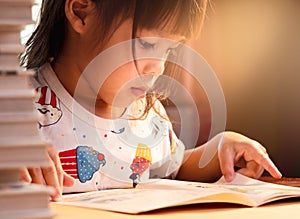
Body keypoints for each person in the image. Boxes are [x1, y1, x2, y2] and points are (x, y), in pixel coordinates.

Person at [20, 0, 282, 201]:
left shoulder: (145, 113)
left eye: (169, 49)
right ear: (81, 12)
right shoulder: (15, 108)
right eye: (146, 44)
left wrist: (220, 147)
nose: (158, 68)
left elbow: (173, 167)